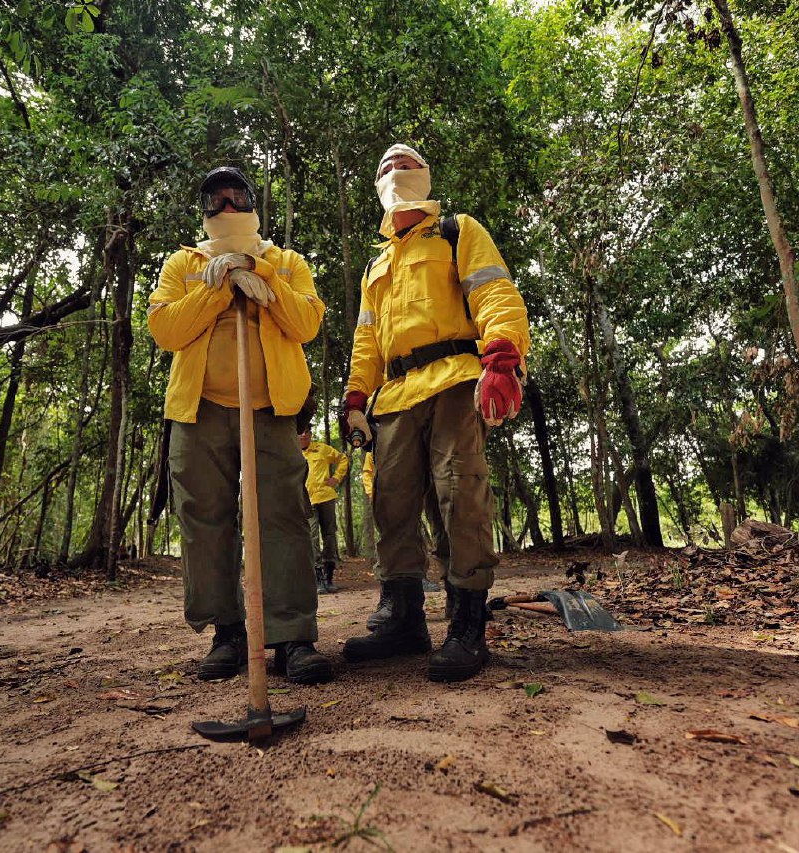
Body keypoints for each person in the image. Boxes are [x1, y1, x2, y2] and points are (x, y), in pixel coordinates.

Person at [341, 144, 529, 682]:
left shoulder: (456, 230)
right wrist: (355, 397)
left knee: (459, 491)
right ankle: (403, 620)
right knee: (392, 501)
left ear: (424, 176)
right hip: (394, 396)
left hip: (454, 379)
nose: (394, 170)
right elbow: (367, 339)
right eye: (384, 167)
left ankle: (467, 624)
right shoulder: (377, 264)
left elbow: (492, 290)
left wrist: (501, 354)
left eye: (405, 164)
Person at [147, 166, 333, 685]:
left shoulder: (287, 262)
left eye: (237, 197)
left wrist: (263, 279)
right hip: (199, 408)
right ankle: (227, 632)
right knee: (205, 520)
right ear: (204, 212)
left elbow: (307, 324)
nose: (227, 207)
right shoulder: (182, 263)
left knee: (283, 518)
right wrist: (218, 288)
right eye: (216, 200)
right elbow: (165, 329)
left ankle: (292, 636)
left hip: (271, 408)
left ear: (253, 203)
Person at [300, 430, 349, 593]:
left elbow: (342, 459)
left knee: (329, 536)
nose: (303, 435)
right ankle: (318, 576)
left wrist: (336, 478)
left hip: (326, 497)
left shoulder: (322, 449)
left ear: (311, 434)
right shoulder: (293, 453)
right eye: (300, 433)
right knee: (312, 536)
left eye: (306, 432)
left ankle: (329, 576)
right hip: (307, 501)